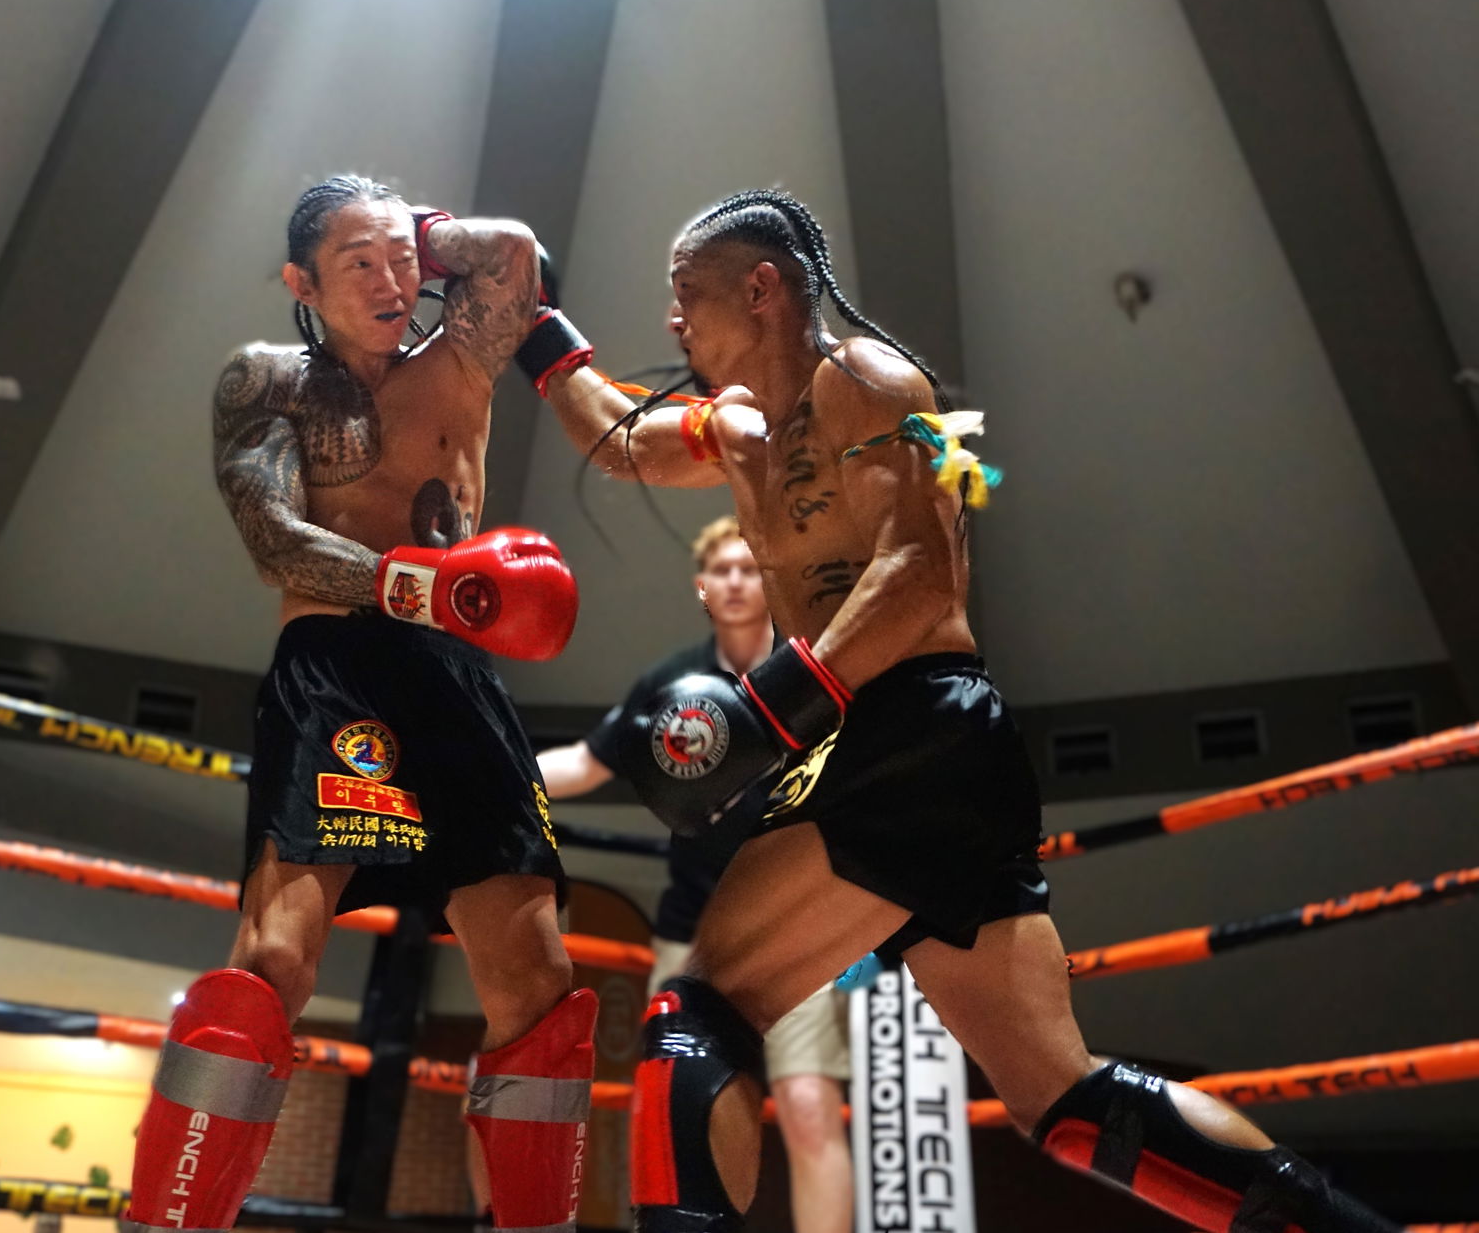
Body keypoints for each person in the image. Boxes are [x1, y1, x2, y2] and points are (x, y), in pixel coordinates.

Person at [533, 189, 1399, 1233]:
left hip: (909, 726)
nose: (673, 319)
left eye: (688, 292)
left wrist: (775, 704)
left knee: (699, 1008)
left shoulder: (868, 378)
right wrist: (531, 326)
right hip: (928, 749)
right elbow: (622, 441)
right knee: (1065, 1100)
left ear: (760, 289)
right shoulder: (746, 429)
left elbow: (919, 570)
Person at [123, 175, 599, 1233]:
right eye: (358, 264)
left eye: (402, 262)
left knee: (539, 980)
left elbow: (513, 254)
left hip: (454, 672)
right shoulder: (269, 379)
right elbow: (271, 539)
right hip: (337, 662)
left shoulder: (461, 355)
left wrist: (413, 231)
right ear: (302, 283)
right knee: (272, 963)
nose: (390, 283)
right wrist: (420, 585)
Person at [538, 515, 857, 1233]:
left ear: (769, 583)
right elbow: (585, 763)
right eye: (722, 570)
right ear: (702, 588)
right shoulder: (671, 685)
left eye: (749, 568)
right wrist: (491, 779)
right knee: (672, 1117)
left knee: (809, 1108)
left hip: (798, 932)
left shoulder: (814, 677)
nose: (737, 581)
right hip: (692, 938)